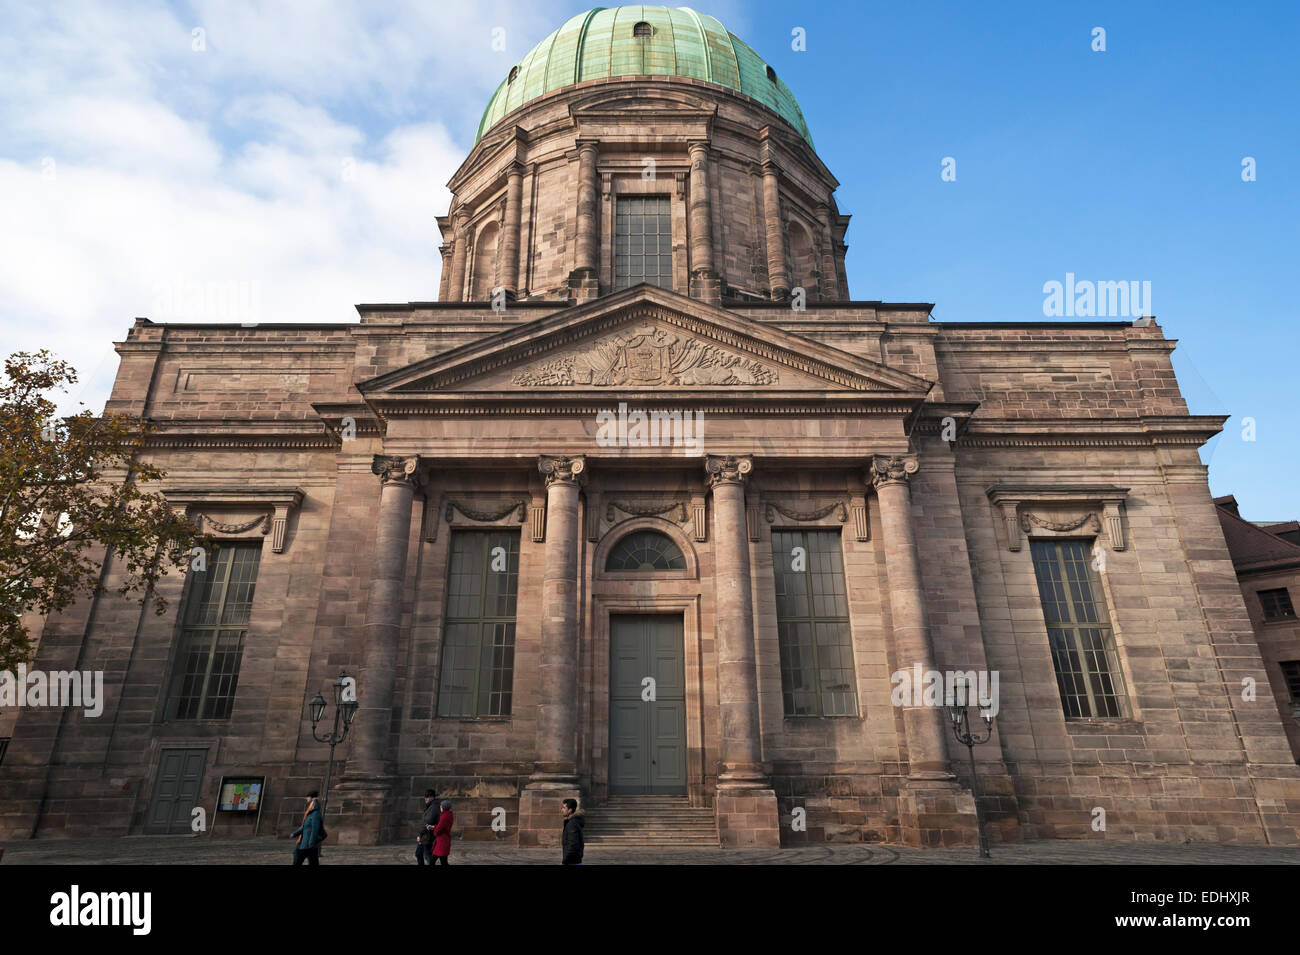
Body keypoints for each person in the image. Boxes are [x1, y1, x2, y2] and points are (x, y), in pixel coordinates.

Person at [291, 790, 325, 865]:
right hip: (306, 842)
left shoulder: (315, 815)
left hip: (308, 843)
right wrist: (295, 834)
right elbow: (305, 826)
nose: (306, 799)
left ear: (313, 805)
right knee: (312, 861)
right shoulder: (310, 814)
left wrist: (311, 842)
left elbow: (314, 829)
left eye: (307, 797)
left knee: (298, 858)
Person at [416, 789, 440, 866]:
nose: (425, 798)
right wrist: (420, 835)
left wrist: (420, 834)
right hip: (424, 836)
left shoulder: (433, 807)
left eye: (427, 797)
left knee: (427, 857)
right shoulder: (430, 806)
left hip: (428, 836)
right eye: (425, 797)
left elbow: (427, 822)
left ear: (432, 797)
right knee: (419, 853)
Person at [560, 797, 584, 866]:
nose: (562, 810)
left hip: (571, 861)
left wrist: (566, 860)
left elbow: (573, 844)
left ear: (570, 810)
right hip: (574, 860)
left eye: (564, 808)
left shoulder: (572, 824)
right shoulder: (572, 822)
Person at [431, 799, 453, 865]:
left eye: (441, 806)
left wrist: (434, 828)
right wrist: (434, 827)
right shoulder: (449, 815)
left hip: (441, 841)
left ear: (443, 807)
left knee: (433, 861)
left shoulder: (444, 816)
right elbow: (441, 827)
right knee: (443, 861)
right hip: (444, 840)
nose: (440, 807)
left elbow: (439, 829)